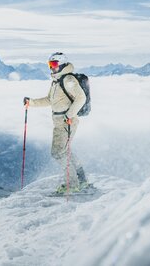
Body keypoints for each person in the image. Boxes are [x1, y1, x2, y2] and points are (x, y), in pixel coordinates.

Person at [23, 52, 88, 193]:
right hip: (60, 121)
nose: (51, 68)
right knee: (65, 151)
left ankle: (72, 184)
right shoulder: (57, 81)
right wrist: (32, 103)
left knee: (58, 152)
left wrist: (69, 115)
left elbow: (81, 98)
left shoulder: (68, 80)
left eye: (54, 64)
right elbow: (49, 100)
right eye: (49, 65)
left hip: (66, 121)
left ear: (62, 64)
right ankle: (81, 180)